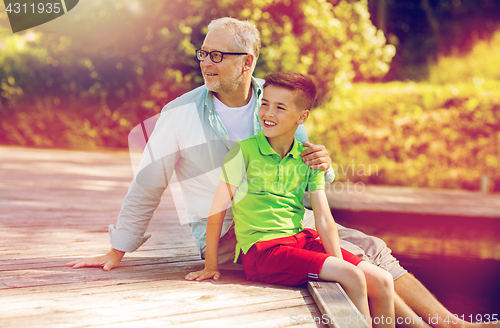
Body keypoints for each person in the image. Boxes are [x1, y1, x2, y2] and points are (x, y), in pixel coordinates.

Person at [66, 17, 498, 328]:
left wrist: (323, 168)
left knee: (371, 246)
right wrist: (118, 249)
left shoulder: (278, 102)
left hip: (288, 221)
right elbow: (148, 184)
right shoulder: (179, 114)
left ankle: (445, 324)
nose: (207, 62)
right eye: (203, 53)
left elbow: (304, 169)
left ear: (246, 61)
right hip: (236, 234)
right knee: (359, 260)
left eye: (218, 55)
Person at [186, 72, 396, 328]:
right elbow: (217, 209)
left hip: (299, 242)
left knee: (383, 280)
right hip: (262, 252)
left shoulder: (308, 157)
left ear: (302, 116)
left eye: (280, 107)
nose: (268, 113)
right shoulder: (244, 151)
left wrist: (335, 261)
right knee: (352, 276)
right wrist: (210, 265)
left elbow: (323, 218)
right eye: (265, 103)